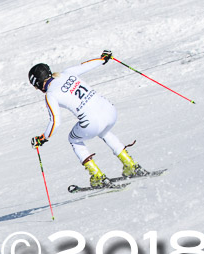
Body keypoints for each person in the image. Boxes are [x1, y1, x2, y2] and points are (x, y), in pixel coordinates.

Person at [29, 50, 146, 188]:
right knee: (104, 131)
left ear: (38, 83)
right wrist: (103, 59)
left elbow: (55, 122)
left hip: (92, 122)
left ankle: (97, 176)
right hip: (110, 111)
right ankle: (131, 165)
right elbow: (86, 65)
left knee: (74, 139)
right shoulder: (66, 73)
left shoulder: (50, 95)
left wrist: (43, 138)